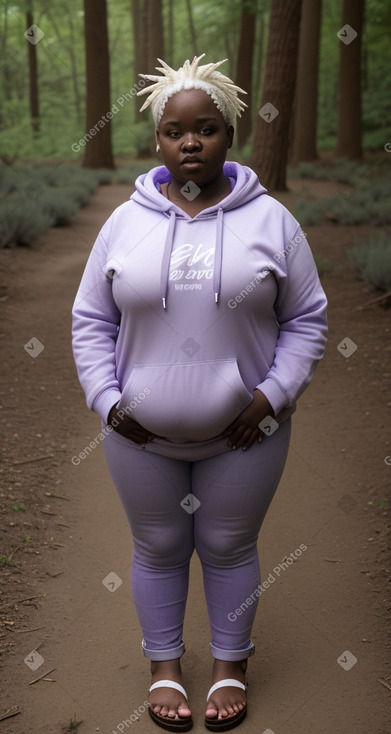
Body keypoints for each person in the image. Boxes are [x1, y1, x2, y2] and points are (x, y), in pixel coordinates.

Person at [72, 55, 328, 732]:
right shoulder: (124, 224)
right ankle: (163, 667)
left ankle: (228, 667)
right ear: (157, 140)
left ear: (228, 136)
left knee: (228, 544)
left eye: (206, 128)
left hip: (245, 433)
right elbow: (91, 320)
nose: (190, 141)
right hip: (139, 436)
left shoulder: (272, 221)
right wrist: (107, 400)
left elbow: (306, 318)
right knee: (156, 544)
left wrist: (271, 396)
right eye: (175, 131)